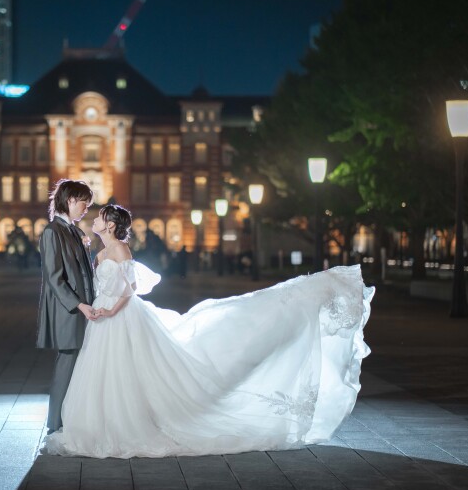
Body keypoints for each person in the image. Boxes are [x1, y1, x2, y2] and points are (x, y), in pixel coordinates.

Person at [43, 204, 374, 458]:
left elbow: (129, 290)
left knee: (131, 369)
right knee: (105, 372)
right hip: (102, 319)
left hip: (119, 315)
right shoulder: (99, 251)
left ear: (110, 225)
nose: (95, 219)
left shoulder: (120, 251)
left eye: (100, 217)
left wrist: (108, 310)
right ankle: (102, 422)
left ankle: (131, 422)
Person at [36, 179, 98, 435]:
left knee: (77, 363)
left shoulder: (73, 230)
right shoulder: (52, 232)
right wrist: (79, 305)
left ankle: (68, 420)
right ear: (70, 199)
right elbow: (54, 277)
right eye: (84, 202)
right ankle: (54, 424)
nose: (86, 208)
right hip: (68, 310)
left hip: (82, 307)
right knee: (67, 363)